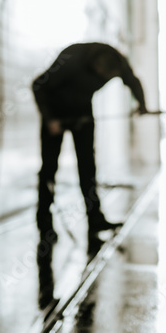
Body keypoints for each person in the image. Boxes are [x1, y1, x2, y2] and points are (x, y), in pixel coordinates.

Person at [32, 42, 147, 243]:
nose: (103, 81)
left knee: (88, 167)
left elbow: (133, 81)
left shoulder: (117, 61)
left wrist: (142, 104)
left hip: (83, 112)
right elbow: (38, 85)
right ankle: (44, 224)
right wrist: (50, 119)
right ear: (94, 66)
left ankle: (95, 219)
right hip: (55, 111)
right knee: (49, 169)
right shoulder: (71, 60)